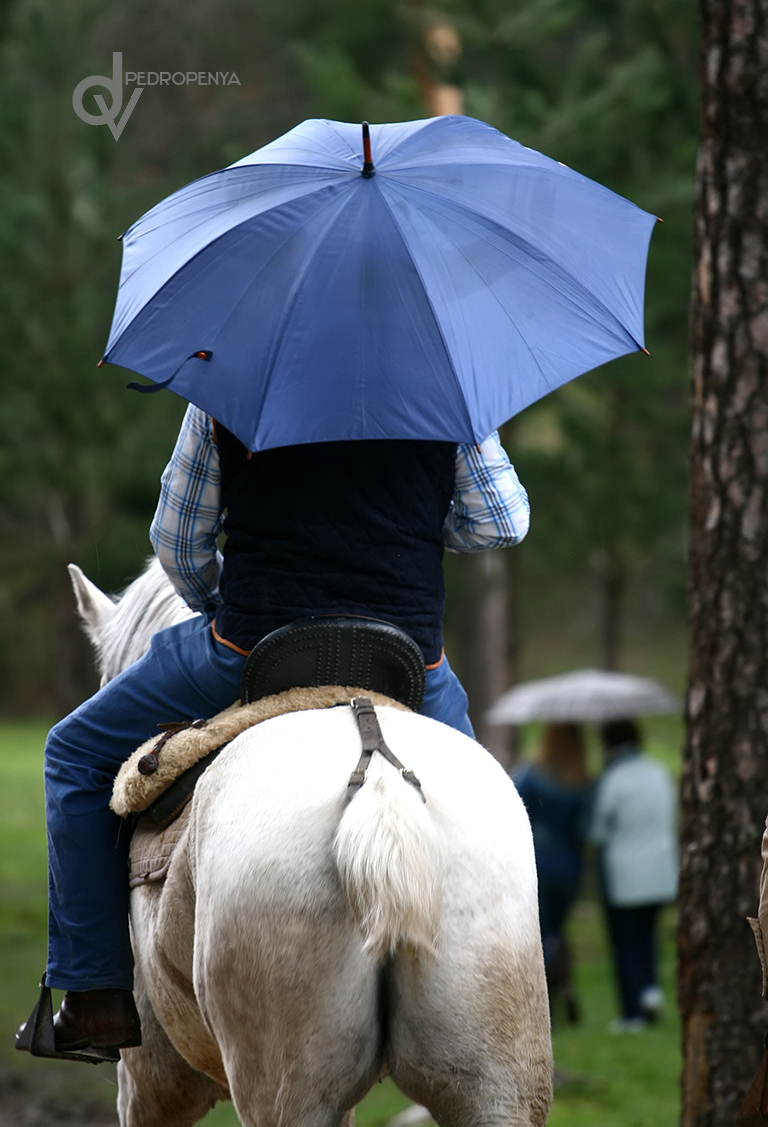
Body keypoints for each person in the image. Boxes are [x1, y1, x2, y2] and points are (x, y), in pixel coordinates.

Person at [19, 404, 530, 1059]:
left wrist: (218, 602)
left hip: (251, 647)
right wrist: (412, 529)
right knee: (487, 807)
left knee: (73, 752)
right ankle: (505, 981)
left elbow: (178, 543)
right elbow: (500, 523)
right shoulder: (449, 388)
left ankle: (93, 993)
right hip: (407, 659)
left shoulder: (228, 379)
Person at [588, 717, 678, 1032]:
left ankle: (632, 1014)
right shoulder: (658, 772)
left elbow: (597, 831)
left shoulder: (613, 780)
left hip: (625, 876)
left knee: (625, 943)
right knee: (648, 937)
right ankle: (650, 990)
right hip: (662, 872)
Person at [512, 721, 594, 1023]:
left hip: (537, 865)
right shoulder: (583, 780)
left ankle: (541, 1000)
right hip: (569, 869)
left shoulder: (533, 774)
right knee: (556, 933)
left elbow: (511, 804)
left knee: (538, 933)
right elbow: (584, 828)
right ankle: (565, 984)